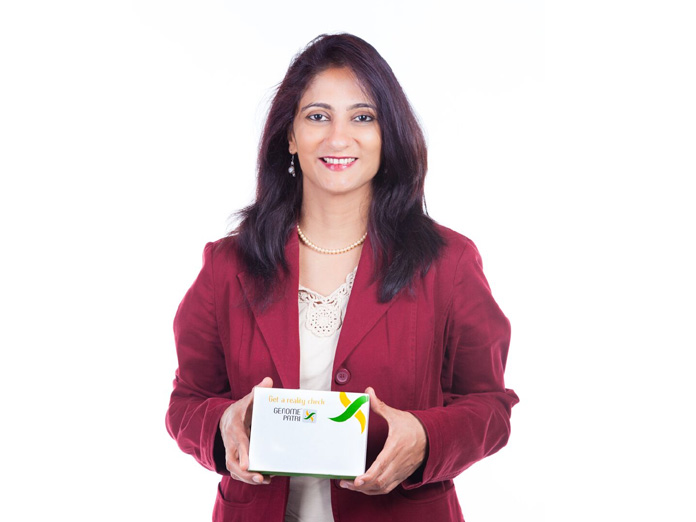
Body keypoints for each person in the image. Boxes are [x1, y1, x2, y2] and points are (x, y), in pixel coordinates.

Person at [166, 33, 519, 522]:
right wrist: (222, 424)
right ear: (290, 136)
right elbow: (187, 402)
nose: (338, 138)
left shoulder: (449, 263)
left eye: (362, 117)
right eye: (317, 116)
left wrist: (426, 438)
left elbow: (490, 405)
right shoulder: (227, 265)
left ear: (387, 134)